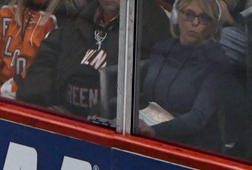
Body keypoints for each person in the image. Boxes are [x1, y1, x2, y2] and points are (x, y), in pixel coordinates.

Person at [17, 0, 170, 121]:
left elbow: (150, 84)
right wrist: (33, 108)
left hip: (111, 126)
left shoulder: (151, 25)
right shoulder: (81, 18)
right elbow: (47, 60)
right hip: (64, 114)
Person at [136, 0, 248, 154]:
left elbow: (198, 117)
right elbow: (145, 94)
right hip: (151, 137)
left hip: (191, 149)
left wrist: (154, 131)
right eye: (189, 15)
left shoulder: (217, 63)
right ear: (177, 16)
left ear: (213, 25)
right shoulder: (162, 49)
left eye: (204, 18)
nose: (195, 23)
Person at [0, 0, 65, 98]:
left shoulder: (63, 22)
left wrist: (10, 93)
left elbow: (46, 75)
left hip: (31, 101)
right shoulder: (7, 12)